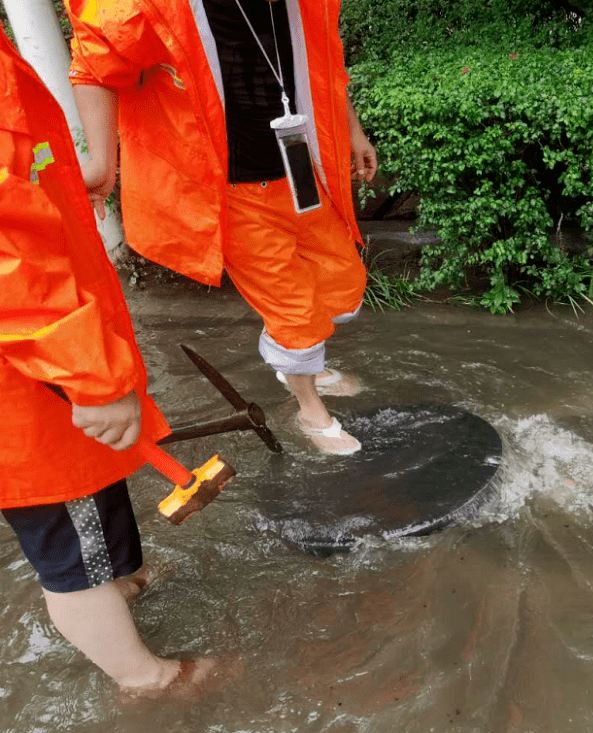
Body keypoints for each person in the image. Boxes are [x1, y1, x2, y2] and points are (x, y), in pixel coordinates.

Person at [0, 32, 220, 698]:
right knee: (70, 547)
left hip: (46, 361)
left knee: (94, 496)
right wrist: (93, 379)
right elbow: (10, 266)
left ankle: (123, 581)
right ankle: (150, 678)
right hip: (33, 383)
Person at [65, 0, 379, 455]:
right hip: (230, 189)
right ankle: (309, 407)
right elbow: (95, 64)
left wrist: (353, 131)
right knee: (291, 307)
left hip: (303, 169)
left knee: (341, 281)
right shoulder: (151, 6)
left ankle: (296, 362)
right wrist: (102, 162)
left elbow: (321, 63)